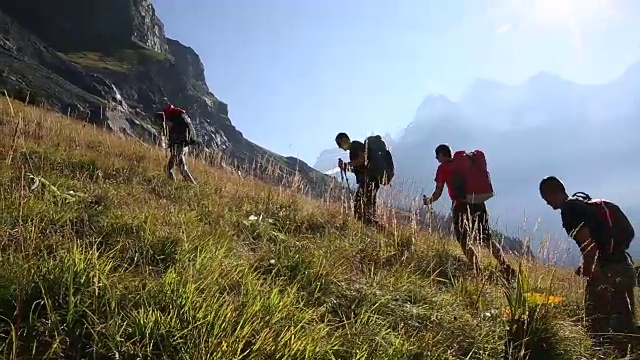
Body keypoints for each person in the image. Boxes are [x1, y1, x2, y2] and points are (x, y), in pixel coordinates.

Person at [539, 176, 638, 356]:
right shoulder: (584, 203)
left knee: (596, 325)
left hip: (607, 273)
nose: (546, 203)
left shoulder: (569, 210)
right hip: (623, 266)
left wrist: (595, 277)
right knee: (627, 326)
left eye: (545, 198)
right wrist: (586, 265)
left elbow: (589, 245)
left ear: (551, 193)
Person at [423, 144, 515, 280]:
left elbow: (438, 191)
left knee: (463, 240)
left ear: (442, 154)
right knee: (486, 238)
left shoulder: (443, 168)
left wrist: (429, 201)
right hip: (478, 202)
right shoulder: (467, 162)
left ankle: (478, 271)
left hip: (460, 206)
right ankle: (505, 266)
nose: (437, 159)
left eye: (437, 156)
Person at [335, 132, 382, 229]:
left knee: (359, 210)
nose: (339, 147)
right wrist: (346, 167)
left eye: (339, 144)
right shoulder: (353, 150)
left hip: (368, 181)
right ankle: (376, 231)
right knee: (366, 210)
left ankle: (377, 230)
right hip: (369, 181)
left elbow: (363, 159)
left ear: (344, 140)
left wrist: (347, 165)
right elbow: (358, 168)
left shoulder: (355, 145)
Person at [154, 99, 198, 184]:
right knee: (182, 169)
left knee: (169, 169)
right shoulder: (177, 117)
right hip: (184, 144)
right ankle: (193, 185)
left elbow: (171, 134)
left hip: (179, 145)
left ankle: (172, 185)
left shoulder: (169, 120)